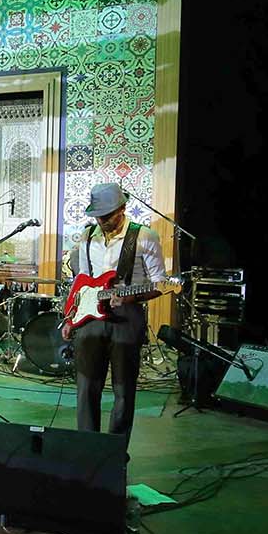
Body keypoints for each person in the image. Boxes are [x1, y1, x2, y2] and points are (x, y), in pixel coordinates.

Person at [62, 182, 168, 436]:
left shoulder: (144, 236)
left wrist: (130, 299)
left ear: (121, 208)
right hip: (90, 318)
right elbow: (82, 282)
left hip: (127, 317)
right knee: (86, 387)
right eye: (98, 215)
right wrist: (70, 317)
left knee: (123, 389)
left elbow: (160, 284)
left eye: (107, 215)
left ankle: (116, 449)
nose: (102, 220)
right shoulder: (87, 236)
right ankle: (88, 445)